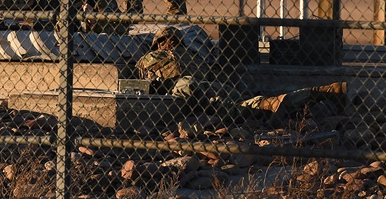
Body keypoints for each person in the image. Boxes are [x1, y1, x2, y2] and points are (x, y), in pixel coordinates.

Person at [136, 26, 348, 119]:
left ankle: (278, 102)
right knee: (245, 100)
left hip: (191, 93)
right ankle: (317, 91)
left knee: (246, 107)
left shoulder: (149, 59)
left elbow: (140, 85)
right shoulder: (192, 54)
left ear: (158, 44)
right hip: (214, 86)